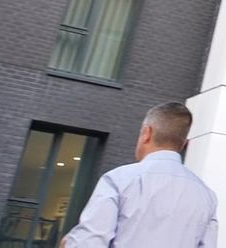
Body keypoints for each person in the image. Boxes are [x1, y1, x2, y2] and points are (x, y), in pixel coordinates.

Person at [61, 102, 217, 248]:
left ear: (146, 133)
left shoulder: (119, 180)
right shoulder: (207, 197)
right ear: (184, 144)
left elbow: (89, 243)